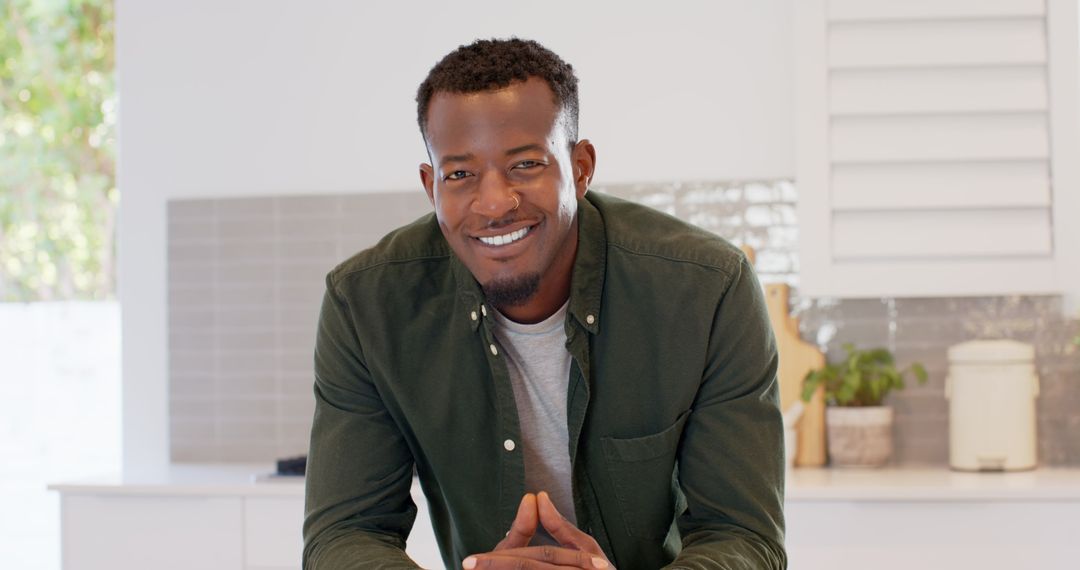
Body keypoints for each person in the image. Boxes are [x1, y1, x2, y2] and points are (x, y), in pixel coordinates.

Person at [303, 38, 785, 570]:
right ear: (430, 186)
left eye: (526, 164)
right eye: (459, 174)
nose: (494, 204)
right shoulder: (366, 306)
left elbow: (744, 538)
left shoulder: (707, 290)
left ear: (580, 169)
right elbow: (343, 537)